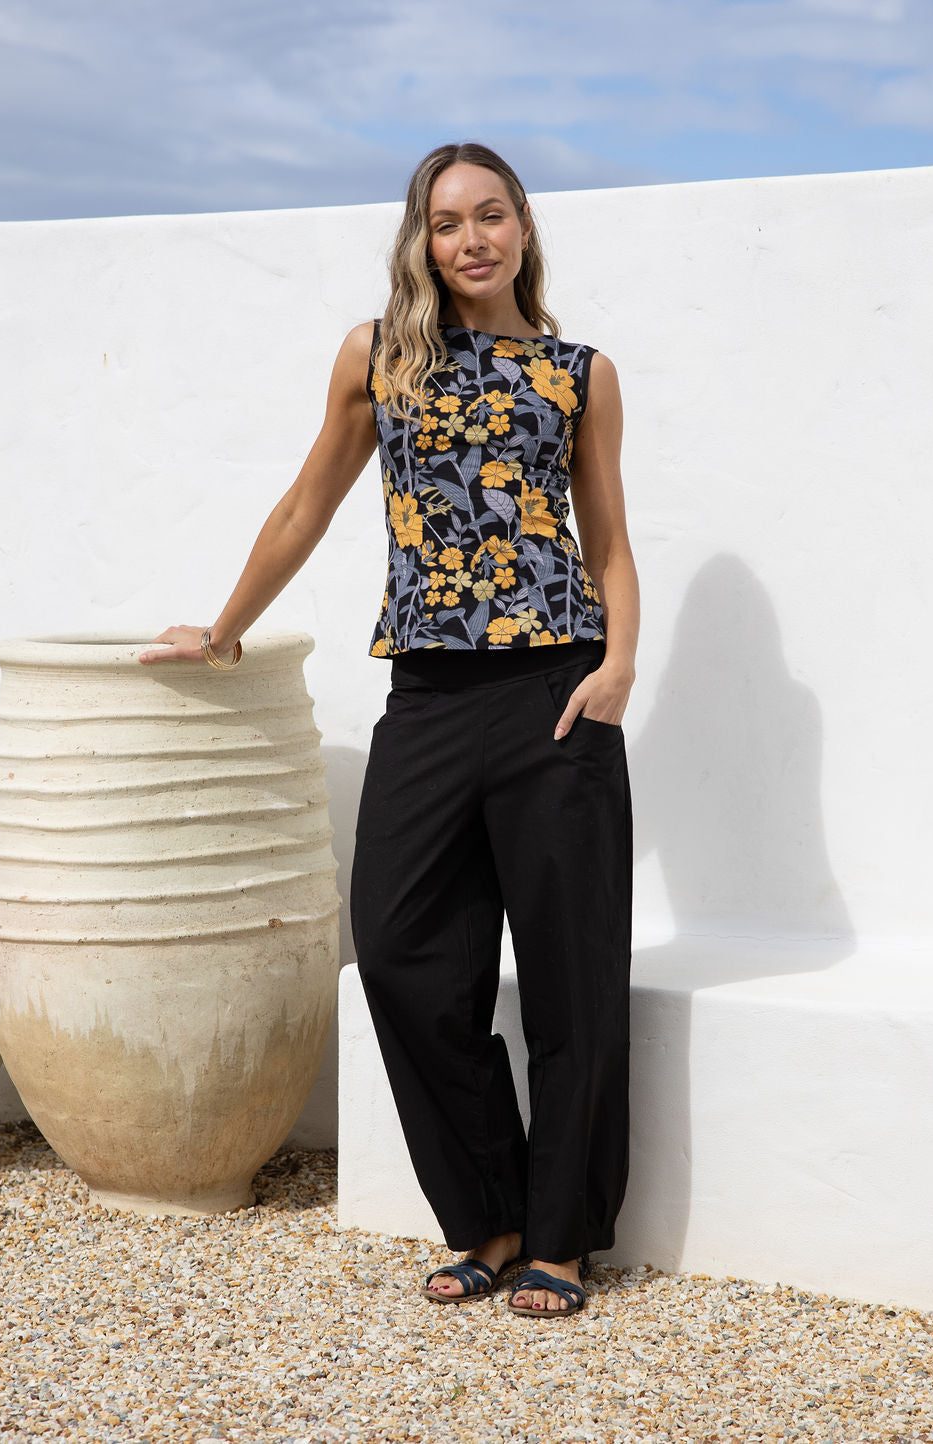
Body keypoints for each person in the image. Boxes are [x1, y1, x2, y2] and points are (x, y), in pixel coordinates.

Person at [141, 141, 639, 1318]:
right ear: (419, 239)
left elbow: (608, 536)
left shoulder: (578, 372)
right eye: (445, 222)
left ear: (523, 228)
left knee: (572, 977)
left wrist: (618, 663)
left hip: (556, 690)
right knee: (406, 955)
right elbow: (309, 499)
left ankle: (561, 1238)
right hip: (426, 693)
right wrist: (222, 627)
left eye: (489, 216)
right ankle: (490, 1216)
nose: (469, 239)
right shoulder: (380, 357)